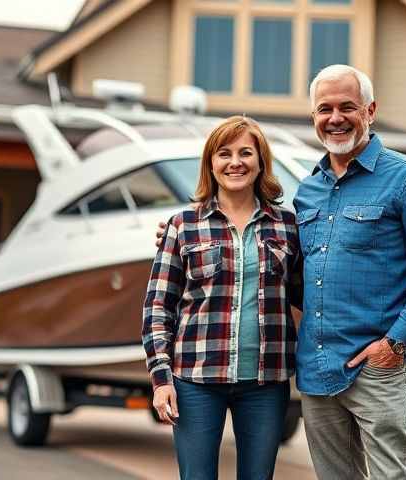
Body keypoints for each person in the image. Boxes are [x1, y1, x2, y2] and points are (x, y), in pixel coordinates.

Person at [295, 64, 406, 479]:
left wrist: (395, 344)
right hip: (316, 368)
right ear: (313, 116)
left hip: (380, 368)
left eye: (347, 107)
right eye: (324, 109)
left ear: (370, 110)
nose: (335, 118)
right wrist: (181, 233)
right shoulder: (307, 190)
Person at [142, 115, 301, 480]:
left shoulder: (287, 226)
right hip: (195, 380)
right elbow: (157, 306)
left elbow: (310, 293)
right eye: (224, 153)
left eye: (246, 153)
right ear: (210, 164)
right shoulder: (183, 225)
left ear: (261, 163)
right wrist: (161, 377)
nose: (235, 162)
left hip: (265, 382)